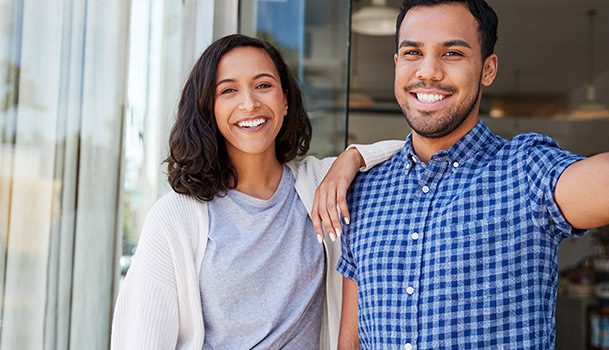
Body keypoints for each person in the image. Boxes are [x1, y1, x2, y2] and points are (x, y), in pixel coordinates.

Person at [331, 0, 609, 348]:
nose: (428, 71)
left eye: (452, 53)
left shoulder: (526, 171)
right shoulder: (364, 191)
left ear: (488, 69)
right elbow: (352, 341)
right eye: (412, 53)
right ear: (396, 64)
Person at [111, 34, 401, 349]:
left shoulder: (320, 184)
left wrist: (352, 157)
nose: (249, 103)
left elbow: (414, 151)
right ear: (210, 108)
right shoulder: (176, 218)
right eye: (229, 90)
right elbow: (140, 339)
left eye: (263, 85)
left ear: (286, 100)